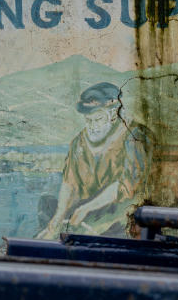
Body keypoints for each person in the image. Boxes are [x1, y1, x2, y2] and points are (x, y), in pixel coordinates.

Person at [37, 82, 152, 239]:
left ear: (113, 115)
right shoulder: (79, 142)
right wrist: (58, 216)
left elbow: (127, 186)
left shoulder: (135, 136)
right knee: (47, 206)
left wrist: (86, 209)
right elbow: (70, 182)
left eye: (97, 119)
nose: (92, 126)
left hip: (122, 211)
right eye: (88, 120)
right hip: (89, 208)